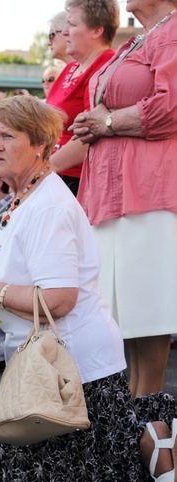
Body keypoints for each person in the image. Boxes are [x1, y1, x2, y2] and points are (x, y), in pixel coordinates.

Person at [0, 95, 177, 482]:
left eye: (7, 136)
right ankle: (140, 432)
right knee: (21, 476)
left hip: (74, 371)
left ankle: (149, 435)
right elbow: (23, 279)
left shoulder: (48, 206)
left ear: (40, 144)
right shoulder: (23, 199)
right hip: (46, 364)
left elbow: (59, 298)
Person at [70, 0, 177, 398]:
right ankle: (137, 437)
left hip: (147, 191)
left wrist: (108, 122)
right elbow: (109, 101)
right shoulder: (139, 39)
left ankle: (152, 438)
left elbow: (169, 108)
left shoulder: (173, 32)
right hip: (111, 194)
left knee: (146, 318)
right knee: (126, 322)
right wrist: (92, 120)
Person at [47, 1, 119, 196]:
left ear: (96, 31)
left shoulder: (106, 65)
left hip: (77, 182)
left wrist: (40, 171)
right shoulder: (72, 68)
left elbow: (91, 133)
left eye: (72, 24)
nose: (65, 32)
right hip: (57, 175)